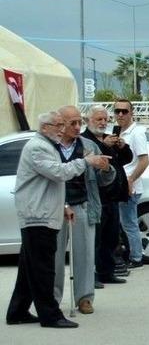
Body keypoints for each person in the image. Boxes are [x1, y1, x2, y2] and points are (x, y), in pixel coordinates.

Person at [6, 111, 110, 328]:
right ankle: (50, 315)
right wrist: (86, 161)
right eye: (58, 125)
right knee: (44, 268)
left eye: (66, 124)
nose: (62, 129)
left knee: (29, 268)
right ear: (45, 128)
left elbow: (51, 183)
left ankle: (17, 311)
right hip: (38, 216)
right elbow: (59, 173)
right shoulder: (39, 147)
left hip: (44, 212)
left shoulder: (46, 145)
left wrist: (62, 206)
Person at [53, 105, 117, 315]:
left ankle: (85, 298)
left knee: (85, 255)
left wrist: (106, 169)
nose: (77, 127)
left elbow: (104, 179)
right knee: (54, 256)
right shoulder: (50, 146)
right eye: (73, 123)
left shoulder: (88, 145)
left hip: (82, 204)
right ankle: (52, 299)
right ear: (60, 124)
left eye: (79, 122)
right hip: (55, 207)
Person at [82, 105, 133, 282]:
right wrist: (103, 146)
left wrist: (122, 146)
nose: (103, 123)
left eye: (105, 119)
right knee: (94, 239)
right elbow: (91, 164)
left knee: (110, 238)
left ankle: (107, 272)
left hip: (112, 197)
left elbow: (126, 160)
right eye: (99, 119)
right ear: (88, 121)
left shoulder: (108, 139)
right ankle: (91, 277)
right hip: (96, 198)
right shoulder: (84, 141)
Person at [114, 99, 149, 270]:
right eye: (117, 111)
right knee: (123, 223)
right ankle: (131, 255)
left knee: (129, 223)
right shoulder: (118, 132)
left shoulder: (136, 133)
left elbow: (144, 161)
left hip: (129, 186)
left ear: (131, 113)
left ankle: (136, 257)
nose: (120, 114)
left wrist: (130, 180)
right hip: (119, 184)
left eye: (124, 111)